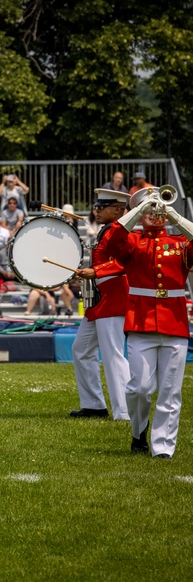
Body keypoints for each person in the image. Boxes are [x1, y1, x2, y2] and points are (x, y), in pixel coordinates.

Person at [104, 188, 193, 459]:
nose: (155, 213)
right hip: (141, 322)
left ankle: (163, 448)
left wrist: (175, 216)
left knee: (170, 391)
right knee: (139, 388)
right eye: (149, 208)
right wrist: (137, 211)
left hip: (175, 323)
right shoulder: (133, 241)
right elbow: (110, 240)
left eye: (158, 207)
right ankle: (138, 430)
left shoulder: (179, 241)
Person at [71, 189, 131, 420]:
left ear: (117, 209)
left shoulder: (121, 231)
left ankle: (125, 411)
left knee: (113, 353)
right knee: (81, 349)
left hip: (114, 295)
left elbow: (124, 262)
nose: (96, 210)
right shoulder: (106, 231)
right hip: (99, 297)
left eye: (101, 207)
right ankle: (94, 405)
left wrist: (95, 271)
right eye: (96, 206)